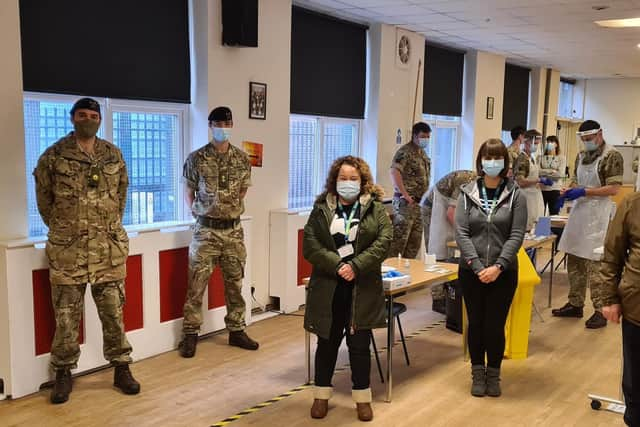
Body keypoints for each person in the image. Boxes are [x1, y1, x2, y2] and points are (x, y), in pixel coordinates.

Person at [33, 97, 140, 404]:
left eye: (94, 115)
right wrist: (66, 228)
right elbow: (44, 202)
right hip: (69, 251)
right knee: (66, 318)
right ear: (72, 118)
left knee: (114, 314)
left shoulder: (112, 154)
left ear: (99, 119)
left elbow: (121, 194)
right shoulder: (53, 157)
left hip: (107, 249)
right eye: (82, 115)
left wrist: (106, 226)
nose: (88, 119)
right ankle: (63, 373)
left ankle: (121, 367)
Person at [303, 156, 392, 422]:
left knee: (359, 346)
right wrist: (337, 265)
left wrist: (355, 265)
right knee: (327, 344)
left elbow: (384, 241)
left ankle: (362, 399)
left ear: (363, 181)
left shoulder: (375, 209)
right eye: (343, 178)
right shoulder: (321, 208)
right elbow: (310, 244)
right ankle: (321, 396)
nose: (348, 183)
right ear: (335, 180)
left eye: (354, 178)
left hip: (361, 287)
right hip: (329, 287)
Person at [179, 106, 258, 357]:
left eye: (227, 123)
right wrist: (202, 212)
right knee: (196, 285)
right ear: (211, 126)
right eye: (218, 124)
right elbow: (189, 193)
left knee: (235, 283)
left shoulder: (242, 158)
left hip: (233, 231)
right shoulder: (196, 158)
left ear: (231, 126)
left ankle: (236, 330)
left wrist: (227, 209)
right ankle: (190, 334)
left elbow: (243, 191)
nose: (223, 128)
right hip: (206, 231)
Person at [455, 139, 527, 398]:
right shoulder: (466, 193)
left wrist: (498, 265)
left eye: (497, 157)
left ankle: (494, 374)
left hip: (504, 272)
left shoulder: (516, 194)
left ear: (504, 162)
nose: (492, 162)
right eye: (488, 156)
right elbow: (461, 232)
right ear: (480, 160)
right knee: (476, 323)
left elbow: (517, 233)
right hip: (471, 271)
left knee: (495, 326)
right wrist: (476, 266)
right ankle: (477, 373)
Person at [554, 120, 623, 329]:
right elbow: (576, 179)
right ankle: (575, 303)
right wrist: (568, 189)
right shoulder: (582, 156)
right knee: (574, 260)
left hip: (599, 214)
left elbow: (614, 189)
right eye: (583, 140)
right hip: (580, 212)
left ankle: (600, 310)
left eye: (589, 139)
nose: (587, 143)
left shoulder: (612, 156)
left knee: (596, 265)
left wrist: (585, 191)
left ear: (600, 134)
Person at [600, 192, 640, 427]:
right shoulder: (632, 205)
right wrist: (609, 297)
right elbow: (611, 255)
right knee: (636, 383)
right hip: (637, 309)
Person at [420, 169, 476, 313]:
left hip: (449, 208)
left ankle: (451, 295)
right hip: (432, 207)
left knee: (450, 252)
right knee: (437, 253)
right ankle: (438, 299)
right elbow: (451, 214)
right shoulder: (466, 180)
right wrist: (465, 234)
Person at [389, 122, 431, 259]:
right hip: (405, 204)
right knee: (399, 243)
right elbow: (395, 172)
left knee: (414, 243)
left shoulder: (422, 153)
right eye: (423, 136)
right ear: (414, 136)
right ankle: (390, 275)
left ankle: (408, 274)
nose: (426, 139)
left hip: (419, 205)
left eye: (428, 137)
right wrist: (405, 194)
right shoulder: (404, 152)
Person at [514, 129, 551, 230]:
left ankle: (539, 243)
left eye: (538, 143)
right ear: (526, 142)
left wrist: (541, 183)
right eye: (534, 143)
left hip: (536, 197)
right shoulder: (522, 159)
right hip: (526, 198)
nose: (536, 146)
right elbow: (520, 182)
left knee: (542, 229)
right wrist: (538, 180)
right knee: (527, 229)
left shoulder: (532, 158)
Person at [539, 135, 567, 215]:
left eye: (552, 142)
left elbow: (560, 174)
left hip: (555, 189)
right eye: (548, 142)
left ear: (556, 144)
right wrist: (551, 171)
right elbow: (538, 172)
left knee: (554, 214)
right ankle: (543, 228)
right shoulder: (541, 157)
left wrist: (544, 173)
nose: (549, 144)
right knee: (541, 214)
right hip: (542, 189)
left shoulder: (561, 158)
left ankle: (553, 228)